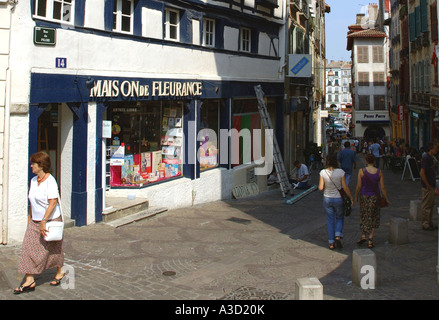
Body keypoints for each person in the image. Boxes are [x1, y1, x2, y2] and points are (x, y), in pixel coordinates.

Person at [14, 152, 65, 294]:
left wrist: (44, 221)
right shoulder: (33, 181)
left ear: (41, 165)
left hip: (50, 220)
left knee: (54, 248)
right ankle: (29, 279)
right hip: (35, 221)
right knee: (28, 248)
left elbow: (53, 202)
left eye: (33, 164)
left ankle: (59, 272)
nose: (31, 166)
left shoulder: (50, 181)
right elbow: (32, 202)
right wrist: (30, 220)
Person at [354, 154, 390, 249]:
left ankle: (363, 235)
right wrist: (386, 198)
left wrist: (356, 196)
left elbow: (358, 185)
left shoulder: (361, 171)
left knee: (363, 214)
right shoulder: (379, 172)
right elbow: (382, 187)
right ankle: (370, 238)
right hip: (375, 197)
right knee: (374, 216)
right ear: (374, 161)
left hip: (364, 196)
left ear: (366, 161)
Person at [319, 153, 353, 250]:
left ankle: (331, 243)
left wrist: (326, 184)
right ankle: (337, 235)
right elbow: (345, 187)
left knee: (330, 220)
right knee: (340, 217)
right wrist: (350, 197)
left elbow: (321, 187)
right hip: (338, 198)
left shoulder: (323, 172)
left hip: (327, 198)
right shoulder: (341, 172)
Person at [419, 142, 439, 231]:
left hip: (432, 183)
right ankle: (425, 223)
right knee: (426, 204)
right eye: (435, 147)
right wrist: (427, 184)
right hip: (428, 185)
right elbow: (422, 172)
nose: (437, 149)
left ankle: (429, 222)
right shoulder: (426, 158)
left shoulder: (431, 158)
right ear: (431, 149)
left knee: (431, 204)